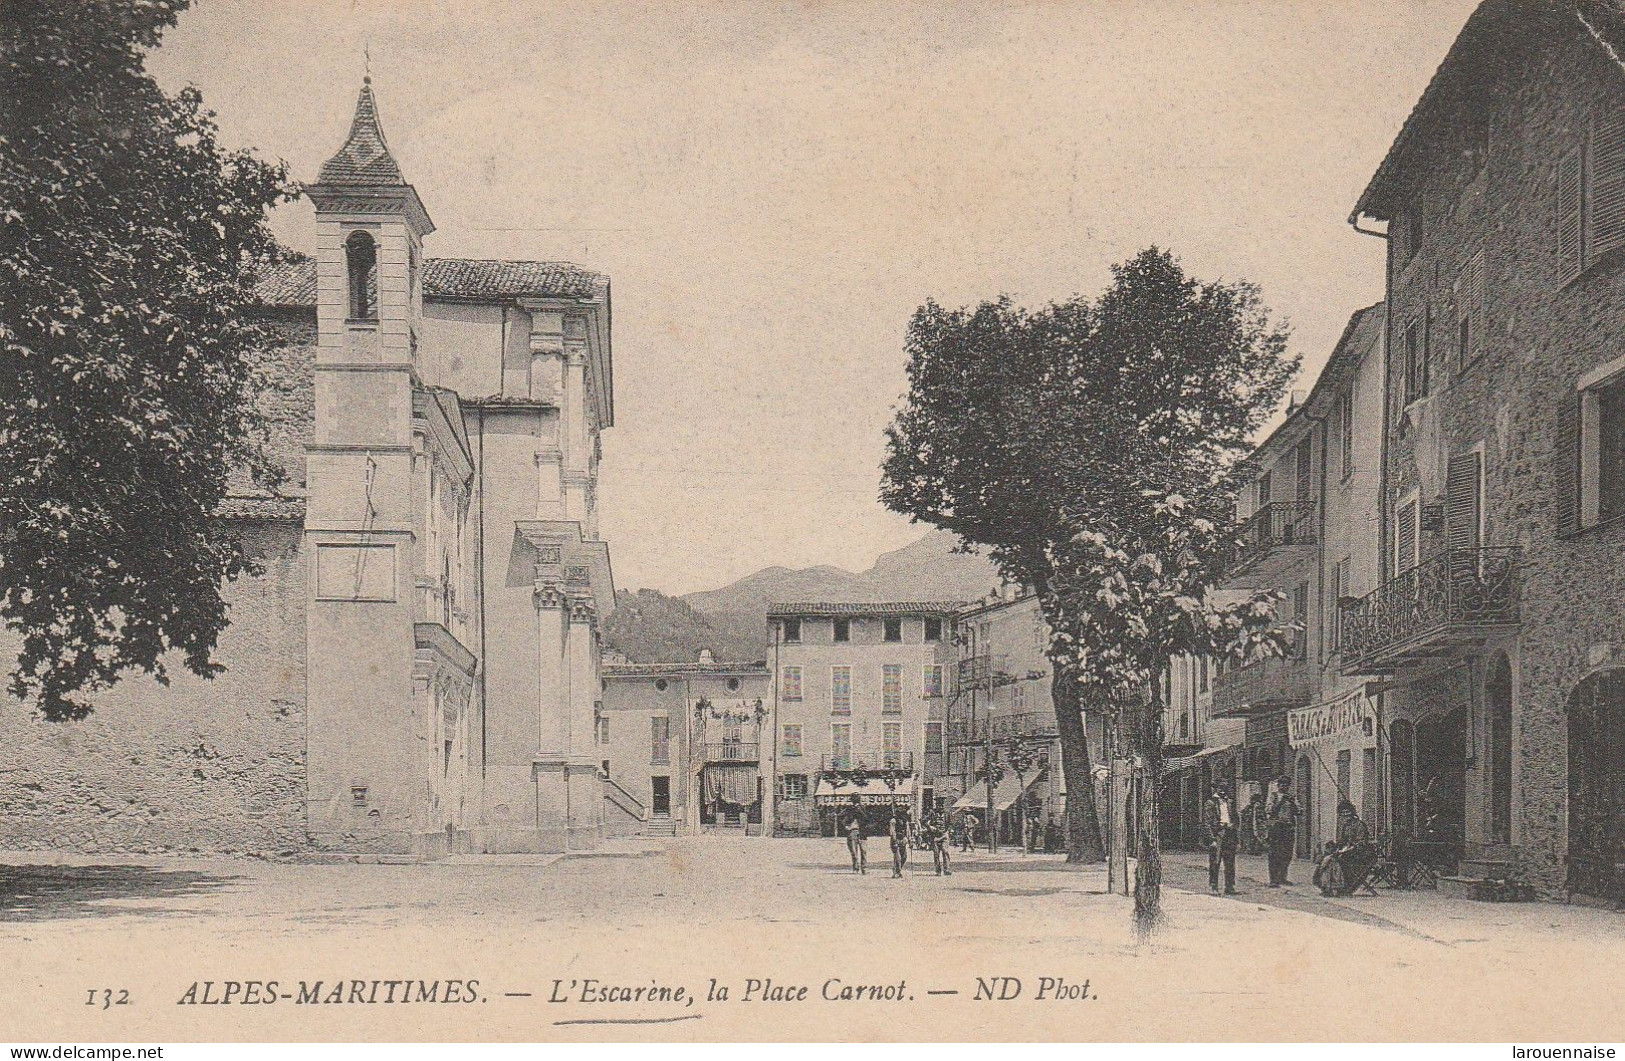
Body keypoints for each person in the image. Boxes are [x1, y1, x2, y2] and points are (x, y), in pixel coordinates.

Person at [1314, 800, 1377, 896]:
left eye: (1348, 812)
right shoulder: (1345, 826)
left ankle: (1336, 887)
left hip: (1360, 853)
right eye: (1343, 813)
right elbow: (1342, 841)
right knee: (1328, 858)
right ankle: (1328, 887)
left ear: (1352, 812)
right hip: (1348, 851)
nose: (1346, 815)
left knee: (1334, 860)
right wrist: (1336, 847)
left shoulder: (1360, 825)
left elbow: (1361, 843)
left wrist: (1348, 849)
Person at [1205, 780, 1240, 895]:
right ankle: (1213, 887)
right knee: (1215, 861)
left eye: (1225, 787)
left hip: (1230, 834)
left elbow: (1236, 819)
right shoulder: (1211, 803)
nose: (1223, 790)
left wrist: (1233, 826)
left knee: (1230, 862)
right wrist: (1212, 839)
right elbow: (1207, 822)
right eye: (1220, 787)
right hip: (1218, 834)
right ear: (1216, 788)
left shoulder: (1230, 802)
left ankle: (1229, 887)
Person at [1265, 776, 1299, 887]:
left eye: (1286, 785)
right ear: (1278, 786)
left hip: (1288, 828)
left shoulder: (1292, 797)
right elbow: (1269, 810)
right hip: (1276, 828)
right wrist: (1281, 801)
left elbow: (1299, 811)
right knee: (1274, 854)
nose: (1284, 787)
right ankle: (1273, 879)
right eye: (1282, 784)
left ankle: (1282, 877)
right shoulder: (1273, 796)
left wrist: (1292, 802)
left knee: (1287, 854)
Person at [924, 810, 952, 875]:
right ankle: (938, 870)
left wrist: (948, 831)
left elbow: (950, 824)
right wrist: (930, 827)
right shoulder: (932, 814)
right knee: (936, 854)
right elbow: (924, 822)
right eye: (938, 803)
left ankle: (946, 869)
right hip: (935, 836)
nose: (940, 806)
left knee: (945, 851)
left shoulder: (947, 814)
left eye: (941, 803)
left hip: (944, 835)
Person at [888, 810, 909, 878]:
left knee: (904, 857)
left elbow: (907, 831)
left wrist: (908, 839)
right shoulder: (893, 821)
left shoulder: (905, 821)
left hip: (902, 840)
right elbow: (892, 831)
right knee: (898, 858)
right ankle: (896, 872)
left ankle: (898, 870)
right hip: (896, 840)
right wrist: (894, 841)